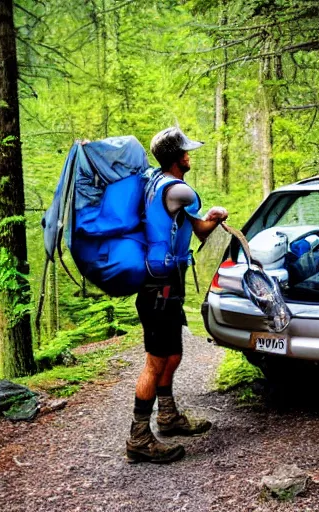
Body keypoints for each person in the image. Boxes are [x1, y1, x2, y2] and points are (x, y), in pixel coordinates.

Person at [126, 127, 228, 464]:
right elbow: (191, 204)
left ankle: (167, 417)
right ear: (176, 157)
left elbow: (197, 229)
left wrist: (212, 219)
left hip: (168, 282)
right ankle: (139, 438)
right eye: (185, 152)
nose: (189, 155)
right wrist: (211, 208)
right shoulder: (178, 190)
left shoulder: (156, 183)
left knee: (172, 355)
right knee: (155, 362)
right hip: (158, 286)